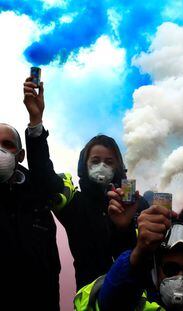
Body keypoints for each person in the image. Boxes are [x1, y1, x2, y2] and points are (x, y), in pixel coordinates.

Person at [52, 134, 148, 290]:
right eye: (95, 161)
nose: (102, 166)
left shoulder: (137, 203)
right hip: (90, 299)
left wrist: (125, 228)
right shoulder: (75, 203)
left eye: (109, 162)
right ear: (84, 166)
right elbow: (44, 179)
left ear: (118, 166)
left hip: (131, 295)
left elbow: (145, 259)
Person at [0, 77, 63, 310]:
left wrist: (35, 118)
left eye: (7, 145)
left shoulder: (37, 194)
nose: (1, 151)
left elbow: (44, 173)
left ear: (20, 155)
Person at [74, 202, 183, 311]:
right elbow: (112, 300)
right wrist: (139, 251)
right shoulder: (136, 304)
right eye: (170, 269)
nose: (180, 279)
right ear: (155, 270)